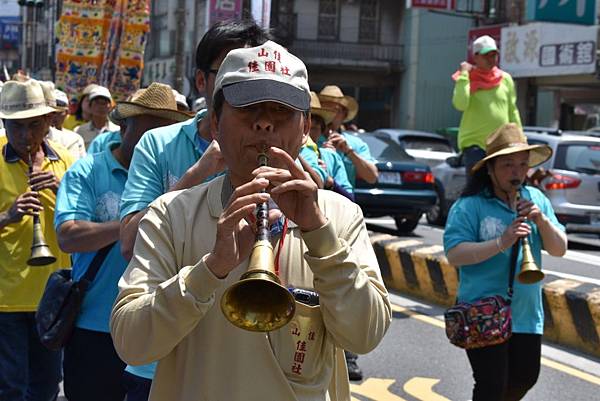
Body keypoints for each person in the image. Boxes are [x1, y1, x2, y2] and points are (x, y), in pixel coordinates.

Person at [110, 40, 391, 401]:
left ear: (305, 127)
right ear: (214, 123)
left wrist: (319, 234)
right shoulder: (170, 213)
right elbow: (131, 345)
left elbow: (364, 337)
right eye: (248, 109)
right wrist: (210, 270)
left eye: (280, 112)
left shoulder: (339, 215)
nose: (263, 124)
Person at [54, 83, 191, 401]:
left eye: (168, 129)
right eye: (152, 128)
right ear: (123, 125)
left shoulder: (179, 172)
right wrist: (132, 222)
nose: (160, 139)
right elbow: (68, 236)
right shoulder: (89, 170)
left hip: (157, 326)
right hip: (96, 329)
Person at [119, 19, 271, 260]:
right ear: (201, 81)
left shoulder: (281, 144)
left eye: (255, 75)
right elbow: (129, 243)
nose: (244, 87)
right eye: (228, 73)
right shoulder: (156, 145)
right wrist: (196, 173)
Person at [443, 123, 567, 401]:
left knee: (525, 377)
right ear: (490, 169)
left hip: (525, 313)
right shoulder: (470, 205)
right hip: (482, 310)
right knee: (491, 384)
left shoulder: (536, 198)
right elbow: (455, 253)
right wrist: (502, 241)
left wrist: (541, 220)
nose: (517, 172)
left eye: (523, 165)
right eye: (508, 165)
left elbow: (559, 249)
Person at [0, 79, 74, 401]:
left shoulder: (68, 164)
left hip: (54, 294)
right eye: (16, 128)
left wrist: (63, 191)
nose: (25, 137)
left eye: (33, 126)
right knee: (10, 386)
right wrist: (9, 215)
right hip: (6, 296)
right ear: (4, 123)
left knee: (46, 385)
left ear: (48, 122)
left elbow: (88, 223)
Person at [452, 35, 522, 176]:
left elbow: (512, 111)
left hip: (501, 145)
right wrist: (464, 75)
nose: (491, 59)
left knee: (500, 190)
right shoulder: (467, 78)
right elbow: (460, 104)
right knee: (478, 190)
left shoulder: (505, 78)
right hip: (475, 146)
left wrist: (520, 138)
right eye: (486, 56)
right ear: (476, 57)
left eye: (494, 55)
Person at [318, 85, 378, 189]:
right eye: (325, 109)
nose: (330, 116)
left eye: (335, 111)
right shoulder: (307, 139)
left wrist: (349, 152)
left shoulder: (356, 143)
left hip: (345, 201)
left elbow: (372, 177)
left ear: (344, 115)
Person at [304, 91, 354, 201]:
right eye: (303, 126)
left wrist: (330, 182)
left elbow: (350, 199)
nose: (307, 132)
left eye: (314, 128)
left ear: (322, 130)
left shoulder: (331, 157)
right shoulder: (279, 154)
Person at [38, 82, 86, 160]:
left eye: (58, 113)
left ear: (67, 113)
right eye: (50, 113)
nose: (53, 117)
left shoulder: (73, 139)